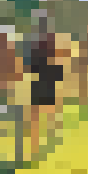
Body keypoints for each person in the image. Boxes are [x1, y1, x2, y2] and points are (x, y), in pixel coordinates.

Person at [25, 22, 63, 157]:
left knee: (37, 117)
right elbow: (59, 72)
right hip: (46, 85)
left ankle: (35, 146)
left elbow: (31, 68)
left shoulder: (36, 51)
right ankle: (49, 142)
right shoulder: (52, 51)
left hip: (39, 86)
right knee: (48, 115)